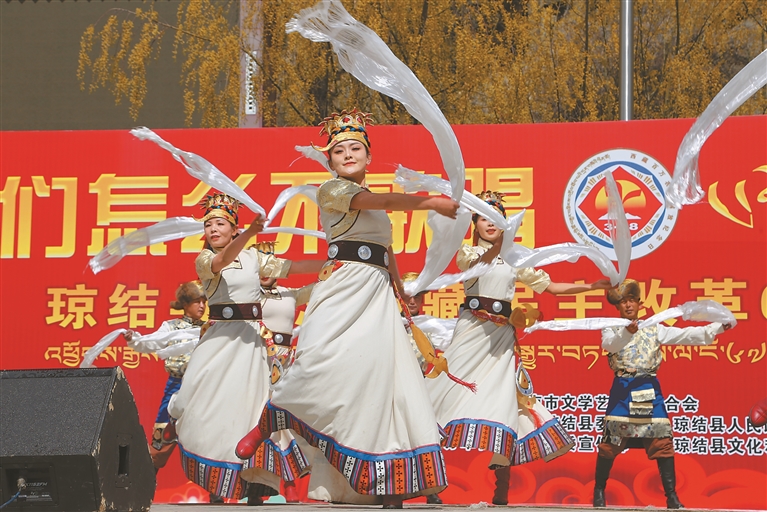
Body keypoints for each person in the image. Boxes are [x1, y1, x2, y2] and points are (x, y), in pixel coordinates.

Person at [235, 108, 459, 508]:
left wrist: (400, 288)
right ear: (331, 161)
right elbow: (381, 199)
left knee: (382, 378)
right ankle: (269, 419)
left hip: (376, 292)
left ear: (369, 156)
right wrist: (428, 202)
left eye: (356, 148)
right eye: (339, 151)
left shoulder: (374, 207)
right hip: (343, 284)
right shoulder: (332, 190)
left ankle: (388, 477)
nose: (348, 155)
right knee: (317, 362)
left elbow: (385, 249)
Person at [426, 191, 613, 506]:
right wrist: (503, 244)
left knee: (505, 406)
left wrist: (592, 286)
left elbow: (552, 288)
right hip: (471, 333)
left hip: (501, 339)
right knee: (441, 397)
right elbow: (479, 266)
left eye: (497, 219)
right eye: (484, 218)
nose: (490, 224)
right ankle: (428, 482)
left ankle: (502, 488)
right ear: (475, 223)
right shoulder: (469, 252)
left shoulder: (515, 259)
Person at [166, 192, 324, 503]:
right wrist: (251, 232)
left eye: (220, 223)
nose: (213, 229)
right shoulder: (205, 259)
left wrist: (337, 263)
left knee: (248, 411)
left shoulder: (254, 258)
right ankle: (212, 478)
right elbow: (223, 261)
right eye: (208, 224)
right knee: (205, 405)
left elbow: (292, 267)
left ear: (233, 228)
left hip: (251, 342)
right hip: (220, 339)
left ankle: (252, 483)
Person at [593, 279, 732, 509]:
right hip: (623, 390)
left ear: (639, 304)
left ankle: (671, 497)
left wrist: (717, 328)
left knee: (663, 442)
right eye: (623, 302)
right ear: (618, 306)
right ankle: (599, 491)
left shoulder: (653, 327)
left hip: (649, 389)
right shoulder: (611, 327)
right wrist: (626, 333)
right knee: (610, 443)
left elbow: (685, 335)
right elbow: (610, 346)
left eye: (632, 301)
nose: (628, 305)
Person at [239, 243, 315, 504]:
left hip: (285, 363)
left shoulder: (290, 294)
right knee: (260, 418)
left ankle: (278, 483)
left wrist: (340, 266)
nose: (265, 271)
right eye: (259, 266)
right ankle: (277, 484)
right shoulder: (248, 296)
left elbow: (322, 287)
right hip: (257, 359)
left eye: (270, 265)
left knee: (285, 419)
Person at [123, 282, 207, 478]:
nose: (202, 306)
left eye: (204, 302)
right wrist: (134, 339)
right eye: (197, 301)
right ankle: (145, 481)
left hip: (204, 387)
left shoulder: (210, 328)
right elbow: (150, 343)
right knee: (162, 433)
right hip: (177, 385)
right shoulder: (171, 327)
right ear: (185, 304)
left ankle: (215, 488)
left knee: (207, 434)